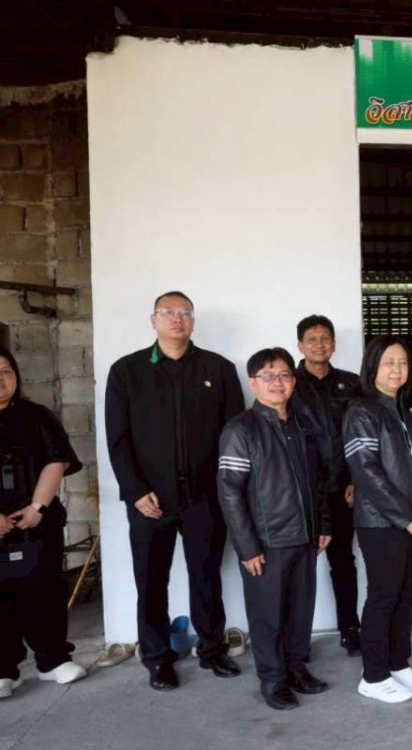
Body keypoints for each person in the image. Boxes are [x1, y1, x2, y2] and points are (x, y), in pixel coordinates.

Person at [104, 291, 243, 690]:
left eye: (184, 312)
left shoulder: (218, 368)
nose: (177, 319)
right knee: (150, 582)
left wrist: (225, 489)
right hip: (150, 501)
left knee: (206, 577)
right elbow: (118, 439)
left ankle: (212, 649)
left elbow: (234, 435)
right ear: (153, 320)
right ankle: (157, 658)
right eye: (168, 312)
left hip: (205, 498)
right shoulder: (127, 371)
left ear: (193, 321)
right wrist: (135, 491)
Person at [217, 348, 332, 710]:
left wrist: (323, 524)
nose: (277, 382)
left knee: (301, 611)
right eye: (267, 376)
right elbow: (229, 492)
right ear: (253, 383)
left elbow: (318, 481)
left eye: (284, 374)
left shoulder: (302, 425)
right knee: (267, 617)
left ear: (293, 381)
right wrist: (247, 547)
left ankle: (296, 669)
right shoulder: (240, 429)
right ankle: (272, 679)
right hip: (266, 543)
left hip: (305, 537)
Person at [344, 336, 412, 705]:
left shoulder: (411, 411)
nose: (397, 369)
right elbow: (366, 473)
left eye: (402, 362)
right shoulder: (362, 412)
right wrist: (405, 517)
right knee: (383, 596)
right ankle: (373, 675)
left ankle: (399, 663)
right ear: (372, 367)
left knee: (405, 594)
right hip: (381, 522)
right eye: (389, 362)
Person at [0, 347, 86, 699]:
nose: (1, 379)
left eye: (6, 371)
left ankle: (52, 660)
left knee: (44, 592)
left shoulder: (36, 415)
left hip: (38, 522)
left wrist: (37, 507)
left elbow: (57, 460)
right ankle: (4, 670)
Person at [290, 315, 362, 656]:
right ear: (300, 345)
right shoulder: (289, 384)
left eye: (325, 338)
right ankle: (297, 640)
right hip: (302, 491)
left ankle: (350, 629)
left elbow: (363, 435)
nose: (319, 344)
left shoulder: (351, 384)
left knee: (343, 562)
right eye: (312, 339)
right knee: (298, 566)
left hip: (342, 491)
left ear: (334, 344)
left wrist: (356, 480)